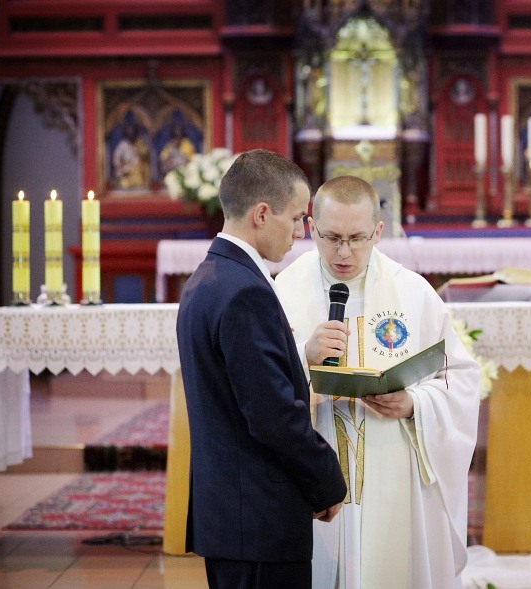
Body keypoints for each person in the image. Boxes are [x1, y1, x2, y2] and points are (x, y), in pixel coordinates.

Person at [274, 175, 481, 589]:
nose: (344, 252)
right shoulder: (284, 290)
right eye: (331, 237)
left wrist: (414, 403)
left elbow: (459, 378)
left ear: (379, 232)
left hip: (393, 463)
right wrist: (302, 356)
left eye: (357, 238)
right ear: (312, 227)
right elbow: (261, 380)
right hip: (314, 463)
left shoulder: (412, 292)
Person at [176, 149, 347, 589]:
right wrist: (327, 478)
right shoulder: (243, 292)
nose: (298, 233)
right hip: (258, 518)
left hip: (234, 515)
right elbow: (271, 415)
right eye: (294, 219)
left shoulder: (209, 277)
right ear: (261, 214)